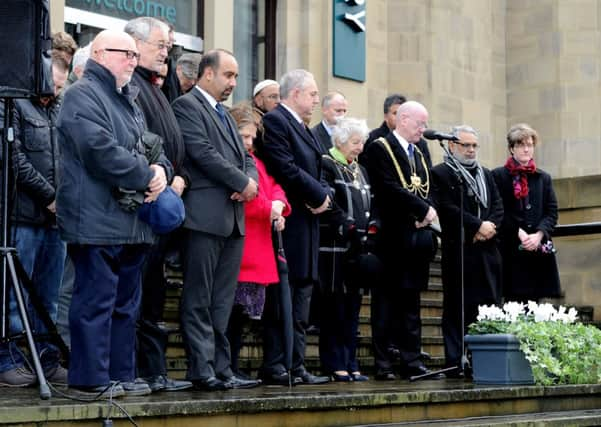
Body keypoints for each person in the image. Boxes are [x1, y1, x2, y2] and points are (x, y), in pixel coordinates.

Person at [57, 29, 172, 397]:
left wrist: (162, 173)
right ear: (101, 53)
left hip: (131, 221)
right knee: (95, 302)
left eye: (136, 56)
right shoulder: (81, 95)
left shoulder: (129, 99)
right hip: (95, 220)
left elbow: (153, 147)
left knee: (125, 306)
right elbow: (99, 150)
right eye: (127, 54)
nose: (133, 62)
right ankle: (90, 380)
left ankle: (121, 375)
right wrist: (145, 174)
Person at [172, 49, 260, 391]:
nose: (233, 83)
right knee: (199, 296)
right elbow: (201, 152)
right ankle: (201, 368)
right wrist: (240, 182)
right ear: (207, 74)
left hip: (233, 218)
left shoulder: (223, 114)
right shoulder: (187, 107)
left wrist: (248, 183)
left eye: (236, 76)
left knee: (222, 300)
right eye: (228, 75)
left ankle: (222, 367)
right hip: (204, 217)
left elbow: (246, 156)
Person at [124, 16, 192, 393]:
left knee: (153, 293)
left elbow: (170, 140)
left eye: (169, 47)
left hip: (169, 191)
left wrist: (179, 175)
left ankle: (155, 371)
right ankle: (139, 369)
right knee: (137, 292)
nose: (166, 53)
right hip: (143, 202)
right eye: (160, 46)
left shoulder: (155, 86)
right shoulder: (131, 86)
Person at [256, 69, 330, 385]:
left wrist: (326, 196)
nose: (316, 100)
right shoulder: (275, 121)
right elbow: (283, 167)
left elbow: (321, 166)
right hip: (290, 222)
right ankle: (277, 364)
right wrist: (316, 194)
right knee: (283, 297)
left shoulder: (305, 128)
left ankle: (296, 364)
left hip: (308, 222)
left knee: (301, 297)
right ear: (296, 93)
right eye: (312, 94)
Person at [0, 56, 69, 387]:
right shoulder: (14, 104)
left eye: (60, 85)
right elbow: (14, 159)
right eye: (52, 84)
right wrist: (50, 197)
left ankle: (46, 357)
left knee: (48, 297)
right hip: (23, 217)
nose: (55, 91)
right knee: (14, 297)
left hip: (56, 222)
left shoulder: (58, 111)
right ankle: (8, 359)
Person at [364, 100, 439, 380]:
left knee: (411, 305)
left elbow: (428, 186)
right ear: (403, 119)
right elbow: (387, 188)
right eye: (420, 123)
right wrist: (421, 210)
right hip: (390, 239)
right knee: (385, 304)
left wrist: (428, 211)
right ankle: (383, 363)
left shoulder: (418, 152)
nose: (424, 129)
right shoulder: (379, 148)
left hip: (416, 239)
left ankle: (412, 361)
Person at [431, 125, 503, 377]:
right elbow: (447, 208)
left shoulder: (486, 173)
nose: (471, 150)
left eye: (474, 145)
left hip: (487, 249)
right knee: (457, 307)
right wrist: (476, 225)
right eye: (465, 145)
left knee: (487, 305)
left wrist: (490, 226)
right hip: (460, 249)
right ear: (452, 145)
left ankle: (483, 358)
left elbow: (497, 205)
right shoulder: (441, 173)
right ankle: (454, 360)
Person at [225, 103, 290, 377]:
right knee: (232, 314)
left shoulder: (257, 161)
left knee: (241, 315)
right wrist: (270, 208)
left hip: (259, 245)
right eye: (244, 137)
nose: (250, 143)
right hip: (242, 245)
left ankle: (234, 365)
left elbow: (274, 185)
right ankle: (229, 365)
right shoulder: (230, 159)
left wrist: (279, 204)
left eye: (252, 137)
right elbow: (245, 200)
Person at [318, 117, 375, 382]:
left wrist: (372, 225)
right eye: (355, 142)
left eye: (362, 141)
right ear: (340, 141)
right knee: (335, 309)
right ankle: (334, 362)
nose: (360, 147)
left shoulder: (360, 168)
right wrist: (348, 226)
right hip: (335, 249)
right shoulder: (327, 163)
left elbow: (368, 202)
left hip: (358, 250)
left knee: (353, 308)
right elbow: (329, 203)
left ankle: (351, 362)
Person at [492, 124, 561, 302]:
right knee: (513, 303)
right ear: (511, 148)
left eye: (529, 145)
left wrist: (539, 235)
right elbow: (497, 211)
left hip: (537, 250)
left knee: (536, 304)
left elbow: (551, 212)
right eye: (521, 145)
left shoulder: (543, 177)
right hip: (511, 249)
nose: (526, 149)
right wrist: (519, 232)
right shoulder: (498, 176)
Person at [360, 94, 431, 167]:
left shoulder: (420, 143)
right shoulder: (373, 139)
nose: (399, 117)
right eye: (395, 113)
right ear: (385, 116)